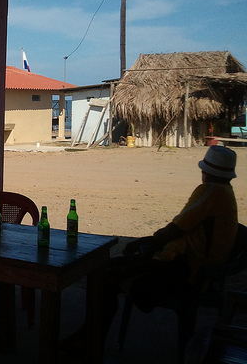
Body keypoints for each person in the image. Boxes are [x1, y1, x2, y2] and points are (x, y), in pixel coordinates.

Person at [65, 145, 239, 351]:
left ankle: (90, 340)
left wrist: (144, 243)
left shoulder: (210, 191)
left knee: (104, 276)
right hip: (193, 267)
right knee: (110, 271)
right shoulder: (225, 193)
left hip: (185, 270)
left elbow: (176, 228)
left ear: (206, 172)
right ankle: (89, 337)